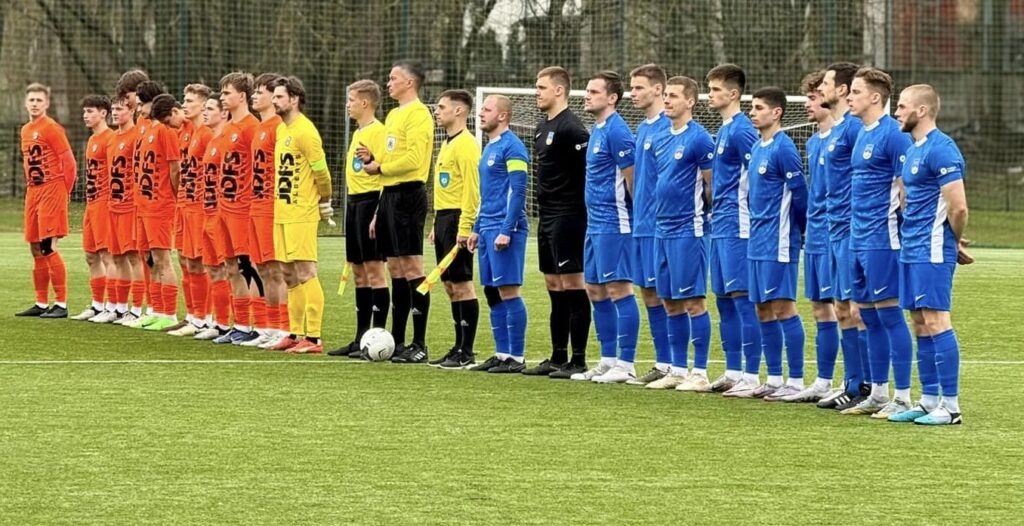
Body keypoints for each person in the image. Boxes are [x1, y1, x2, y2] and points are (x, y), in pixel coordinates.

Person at [889, 84, 970, 425]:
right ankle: (929, 400)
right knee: (920, 322)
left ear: (921, 110)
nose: (897, 112)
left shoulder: (942, 149)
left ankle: (951, 407)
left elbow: (959, 207)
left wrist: (954, 240)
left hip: (933, 247)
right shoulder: (912, 150)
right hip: (911, 246)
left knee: (937, 320)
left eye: (902, 106)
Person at [724, 87, 808, 400]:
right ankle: (773, 378)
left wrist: (799, 230)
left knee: (783, 307)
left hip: (779, 241)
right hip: (756, 241)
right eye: (752, 107)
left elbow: (800, 195)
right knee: (762, 309)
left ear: (777, 112)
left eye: (759, 108)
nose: (752, 113)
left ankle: (796, 380)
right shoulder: (758, 148)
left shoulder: (784, 148)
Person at [840, 67, 915, 418]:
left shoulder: (894, 135)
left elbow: (906, 189)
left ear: (874, 97)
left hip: (882, 239)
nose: (849, 97)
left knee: (889, 316)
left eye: (855, 92)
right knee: (866, 317)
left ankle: (903, 396)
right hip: (857, 238)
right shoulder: (861, 134)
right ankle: (879, 393)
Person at [639, 76, 715, 390]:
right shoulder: (660, 137)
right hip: (661, 229)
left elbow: (711, 186)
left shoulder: (700, 139)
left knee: (693, 301)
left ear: (690, 101)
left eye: (673, 96)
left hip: (689, 229)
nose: (667, 100)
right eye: (666, 95)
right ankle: (678, 369)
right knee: (669, 301)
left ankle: (700, 372)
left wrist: (704, 217)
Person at [358, 60, 435, 364]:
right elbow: (390, 158)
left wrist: (380, 167)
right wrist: (374, 161)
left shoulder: (419, 114)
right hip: (389, 197)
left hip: (409, 196)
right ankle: (398, 340)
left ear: (410, 83)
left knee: (413, 268)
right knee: (395, 270)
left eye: (393, 78)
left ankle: (420, 343)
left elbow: (414, 160)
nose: (388, 83)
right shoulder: (393, 115)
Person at [521, 66, 592, 379]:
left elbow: (586, 175)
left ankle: (578, 359)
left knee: (572, 284)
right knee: (553, 285)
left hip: (569, 214)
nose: (536, 92)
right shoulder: (541, 127)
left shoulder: (572, 129)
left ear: (559, 90)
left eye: (541, 87)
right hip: (547, 215)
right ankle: (557, 356)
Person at [570, 71, 639, 382]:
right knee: (595, 290)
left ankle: (626, 364)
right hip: (595, 223)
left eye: (594, 91)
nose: (587, 95)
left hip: (615, 221)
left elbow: (632, 179)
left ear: (612, 98)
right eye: (587, 90)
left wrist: (636, 217)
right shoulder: (597, 129)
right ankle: (608, 360)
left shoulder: (618, 131)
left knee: (618, 288)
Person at [704, 65, 762, 394]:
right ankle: (733, 370)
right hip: (720, 223)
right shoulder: (724, 129)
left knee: (742, 299)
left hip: (739, 224)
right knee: (724, 300)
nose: (709, 95)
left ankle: (751, 376)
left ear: (733, 93)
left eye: (715, 89)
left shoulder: (742, 130)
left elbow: (758, 174)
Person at [815, 62, 870, 410]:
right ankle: (851, 381)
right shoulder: (836, 130)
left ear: (843, 90)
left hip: (852, 228)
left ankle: (866, 384)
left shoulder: (853, 129)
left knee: (856, 309)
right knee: (840, 308)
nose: (821, 88)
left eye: (826, 83)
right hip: (833, 229)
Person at [783, 71, 841, 402]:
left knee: (846, 309)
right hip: (815, 234)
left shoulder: (845, 136)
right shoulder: (814, 141)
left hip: (837, 233)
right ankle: (823, 380)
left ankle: (856, 382)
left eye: (814, 97)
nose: (808, 103)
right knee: (820, 308)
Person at [268, 75, 333, 354]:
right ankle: (295, 333)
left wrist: (325, 200)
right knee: (287, 273)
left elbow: (322, 172)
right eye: (274, 96)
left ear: (294, 99)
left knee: (306, 271)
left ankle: (314, 338)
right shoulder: (282, 130)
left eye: (279, 96)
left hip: (302, 212)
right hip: (282, 212)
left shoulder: (306, 131)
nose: (274, 101)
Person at [466, 95, 530, 373]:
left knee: (508, 290)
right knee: (492, 291)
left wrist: (507, 229)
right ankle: (502, 353)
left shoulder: (513, 147)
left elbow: (518, 190)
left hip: (506, 228)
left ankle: (516, 357)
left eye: (487, 109)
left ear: (502, 116)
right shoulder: (489, 147)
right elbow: (487, 194)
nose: (481, 113)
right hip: (487, 227)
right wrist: (477, 228)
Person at [327, 80, 391, 357]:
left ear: (365, 103)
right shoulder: (358, 132)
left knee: (374, 270)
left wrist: (378, 212)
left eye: (351, 100)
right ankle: (361, 338)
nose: (347, 105)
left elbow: (385, 172)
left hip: (370, 202)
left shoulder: (380, 131)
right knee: (358, 271)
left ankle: (378, 337)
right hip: (354, 203)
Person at [622, 63, 673, 385]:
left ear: (658, 89)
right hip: (641, 223)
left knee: (668, 296)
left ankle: (674, 365)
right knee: (649, 295)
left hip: (662, 225)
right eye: (632, 87)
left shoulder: (670, 127)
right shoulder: (642, 129)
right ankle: (662, 362)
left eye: (639, 87)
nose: (633, 93)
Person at [426, 89, 481, 369]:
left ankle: (467, 350)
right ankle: (458, 346)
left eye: (441, 107)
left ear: (459, 110)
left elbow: (472, 190)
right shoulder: (448, 143)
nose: (436, 112)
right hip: (444, 219)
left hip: (459, 218)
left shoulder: (467, 145)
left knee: (462, 283)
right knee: (449, 285)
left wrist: (465, 225)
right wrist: (437, 223)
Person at [16, 83, 75, 319]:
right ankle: (41, 302)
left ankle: (61, 303)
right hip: (33, 191)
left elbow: (69, 162)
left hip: (52, 188)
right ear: (25, 103)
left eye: (39, 100)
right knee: (34, 247)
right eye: (31, 100)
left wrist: (64, 192)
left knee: (48, 246)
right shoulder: (25, 130)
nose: (35, 104)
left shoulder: (52, 128)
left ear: (47, 103)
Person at [213, 72, 264, 345]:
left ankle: (262, 325)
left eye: (227, 93)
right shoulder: (229, 127)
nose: (222, 97)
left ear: (242, 96)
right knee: (230, 266)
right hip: (224, 207)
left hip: (242, 209)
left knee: (247, 266)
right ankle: (241, 324)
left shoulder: (251, 127)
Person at [130, 91, 183, 331]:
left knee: (162, 259)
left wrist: (173, 196)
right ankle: (156, 310)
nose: (139, 108)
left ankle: (169, 314)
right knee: (149, 259)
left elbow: (175, 168)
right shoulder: (147, 130)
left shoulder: (166, 131)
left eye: (142, 103)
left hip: (159, 205)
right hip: (143, 204)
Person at [245, 73, 289, 348]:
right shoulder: (261, 128)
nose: (255, 96)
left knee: (276, 270)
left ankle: (284, 328)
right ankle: (268, 327)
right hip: (256, 205)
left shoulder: (278, 127)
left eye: (260, 92)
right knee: (261, 268)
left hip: (271, 208)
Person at [168, 84, 215, 337]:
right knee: (185, 260)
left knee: (200, 262)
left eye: (190, 101)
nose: (184, 105)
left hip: (198, 206)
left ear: (203, 105)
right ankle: (193, 315)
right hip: (184, 203)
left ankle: (205, 318)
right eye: (184, 100)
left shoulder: (206, 133)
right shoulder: (188, 131)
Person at [94, 95, 142, 325]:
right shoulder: (113, 139)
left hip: (130, 206)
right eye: (113, 108)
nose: (115, 112)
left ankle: (138, 308)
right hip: (113, 205)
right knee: (117, 256)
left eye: (120, 109)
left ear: (132, 111)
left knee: (134, 256)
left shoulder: (136, 136)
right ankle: (119, 308)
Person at [193, 97, 235, 341]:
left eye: (209, 109)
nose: (205, 113)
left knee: (230, 269)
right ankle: (220, 323)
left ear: (224, 113)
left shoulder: (227, 140)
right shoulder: (212, 141)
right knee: (213, 268)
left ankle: (240, 324)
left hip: (221, 214)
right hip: (207, 212)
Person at [71, 95, 116, 321]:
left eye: (90, 111)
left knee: (107, 256)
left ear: (103, 113)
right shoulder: (92, 140)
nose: (85, 116)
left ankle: (114, 306)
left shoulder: (110, 138)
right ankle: (98, 305)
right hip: (91, 203)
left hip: (105, 204)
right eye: (84, 112)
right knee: (91, 255)